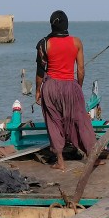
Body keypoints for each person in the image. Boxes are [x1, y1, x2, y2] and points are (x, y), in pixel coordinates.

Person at [34, 10, 97, 170]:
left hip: (50, 87)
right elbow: (81, 70)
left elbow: (40, 72)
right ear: (67, 24)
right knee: (82, 121)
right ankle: (93, 157)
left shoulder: (44, 44)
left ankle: (60, 161)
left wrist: (38, 90)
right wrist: (78, 87)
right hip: (70, 85)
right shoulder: (76, 42)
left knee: (53, 122)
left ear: (51, 25)